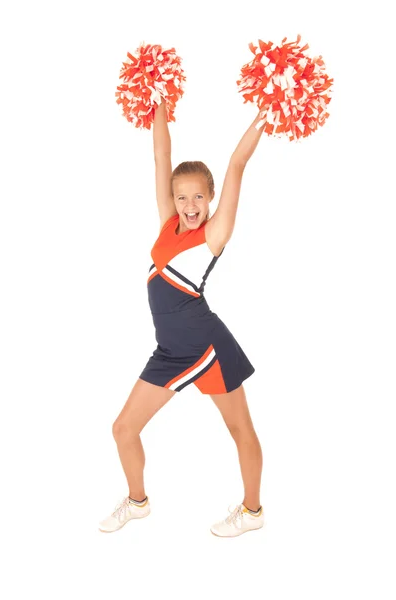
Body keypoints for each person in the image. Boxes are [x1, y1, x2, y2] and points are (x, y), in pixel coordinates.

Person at [99, 99, 265, 537]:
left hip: (207, 348)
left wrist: (266, 113)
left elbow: (237, 164)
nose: (190, 204)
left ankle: (252, 512)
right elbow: (161, 156)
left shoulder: (212, 235)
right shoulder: (168, 224)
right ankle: (137, 502)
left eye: (198, 196)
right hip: (171, 350)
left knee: (239, 429)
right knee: (123, 428)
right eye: (181, 196)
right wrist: (156, 100)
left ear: (210, 199)